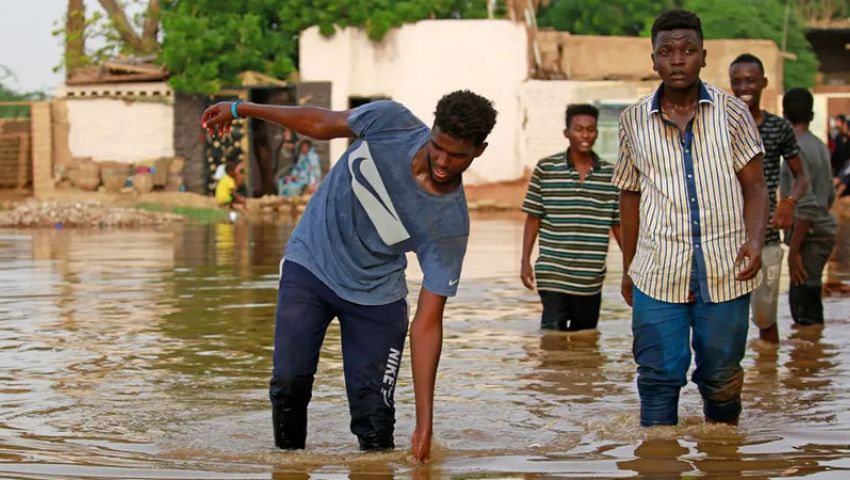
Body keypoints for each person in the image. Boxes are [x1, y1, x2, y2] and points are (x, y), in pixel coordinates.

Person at [201, 90, 497, 462]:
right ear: (432, 129)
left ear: (479, 151)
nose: (442, 162)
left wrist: (425, 425)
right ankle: (290, 467)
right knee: (289, 384)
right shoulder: (391, 121)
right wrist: (240, 108)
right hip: (311, 262)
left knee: (374, 419)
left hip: (377, 294)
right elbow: (320, 122)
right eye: (438, 147)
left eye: (459, 156)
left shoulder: (449, 225)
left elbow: (427, 323)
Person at [613, 9, 768, 427]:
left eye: (687, 50)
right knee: (658, 377)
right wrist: (629, 266)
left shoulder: (733, 113)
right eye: (666, 51)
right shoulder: (632, 122)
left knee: (720, 376)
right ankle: (657, 458)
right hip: (657, 270)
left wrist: (755, 241)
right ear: (653, 61)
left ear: (704, 56)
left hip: (726, 267)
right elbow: (629, 195)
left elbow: (755, 186)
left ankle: (723, 453)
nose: (677, 59)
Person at [728, 53, 810, 344]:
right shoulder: (721, 126)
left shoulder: (779, 127)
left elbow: (802, 177)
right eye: (736, 82)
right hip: (724, 236)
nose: (743, 87)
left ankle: (768, 377)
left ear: (764, 82)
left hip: (767, 236)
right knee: (724, 322)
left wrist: (789, 202)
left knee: (765, 317)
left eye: (750, 80)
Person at [520, 104, 621, 331]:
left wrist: (631, 266)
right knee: (551, 339)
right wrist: (525, 261)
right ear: (567, 132)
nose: (585, 135)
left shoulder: (611, 174)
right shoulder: (546, 169)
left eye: (591, 129)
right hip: (553, 273)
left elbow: (618, 224)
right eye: (578, 129)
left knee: (585, 342)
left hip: (590, 278)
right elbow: (533, 218)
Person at [781, 88, 837, 326]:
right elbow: (830, 194)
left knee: (804, 307)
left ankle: (808, 360)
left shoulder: (797, 150)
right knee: (810, 302)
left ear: (784, 115)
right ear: (812, 115)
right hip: (822, 231)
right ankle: (815, 357)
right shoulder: (819, 146)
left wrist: (793, 254)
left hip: (809, 236)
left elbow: (806, 206)